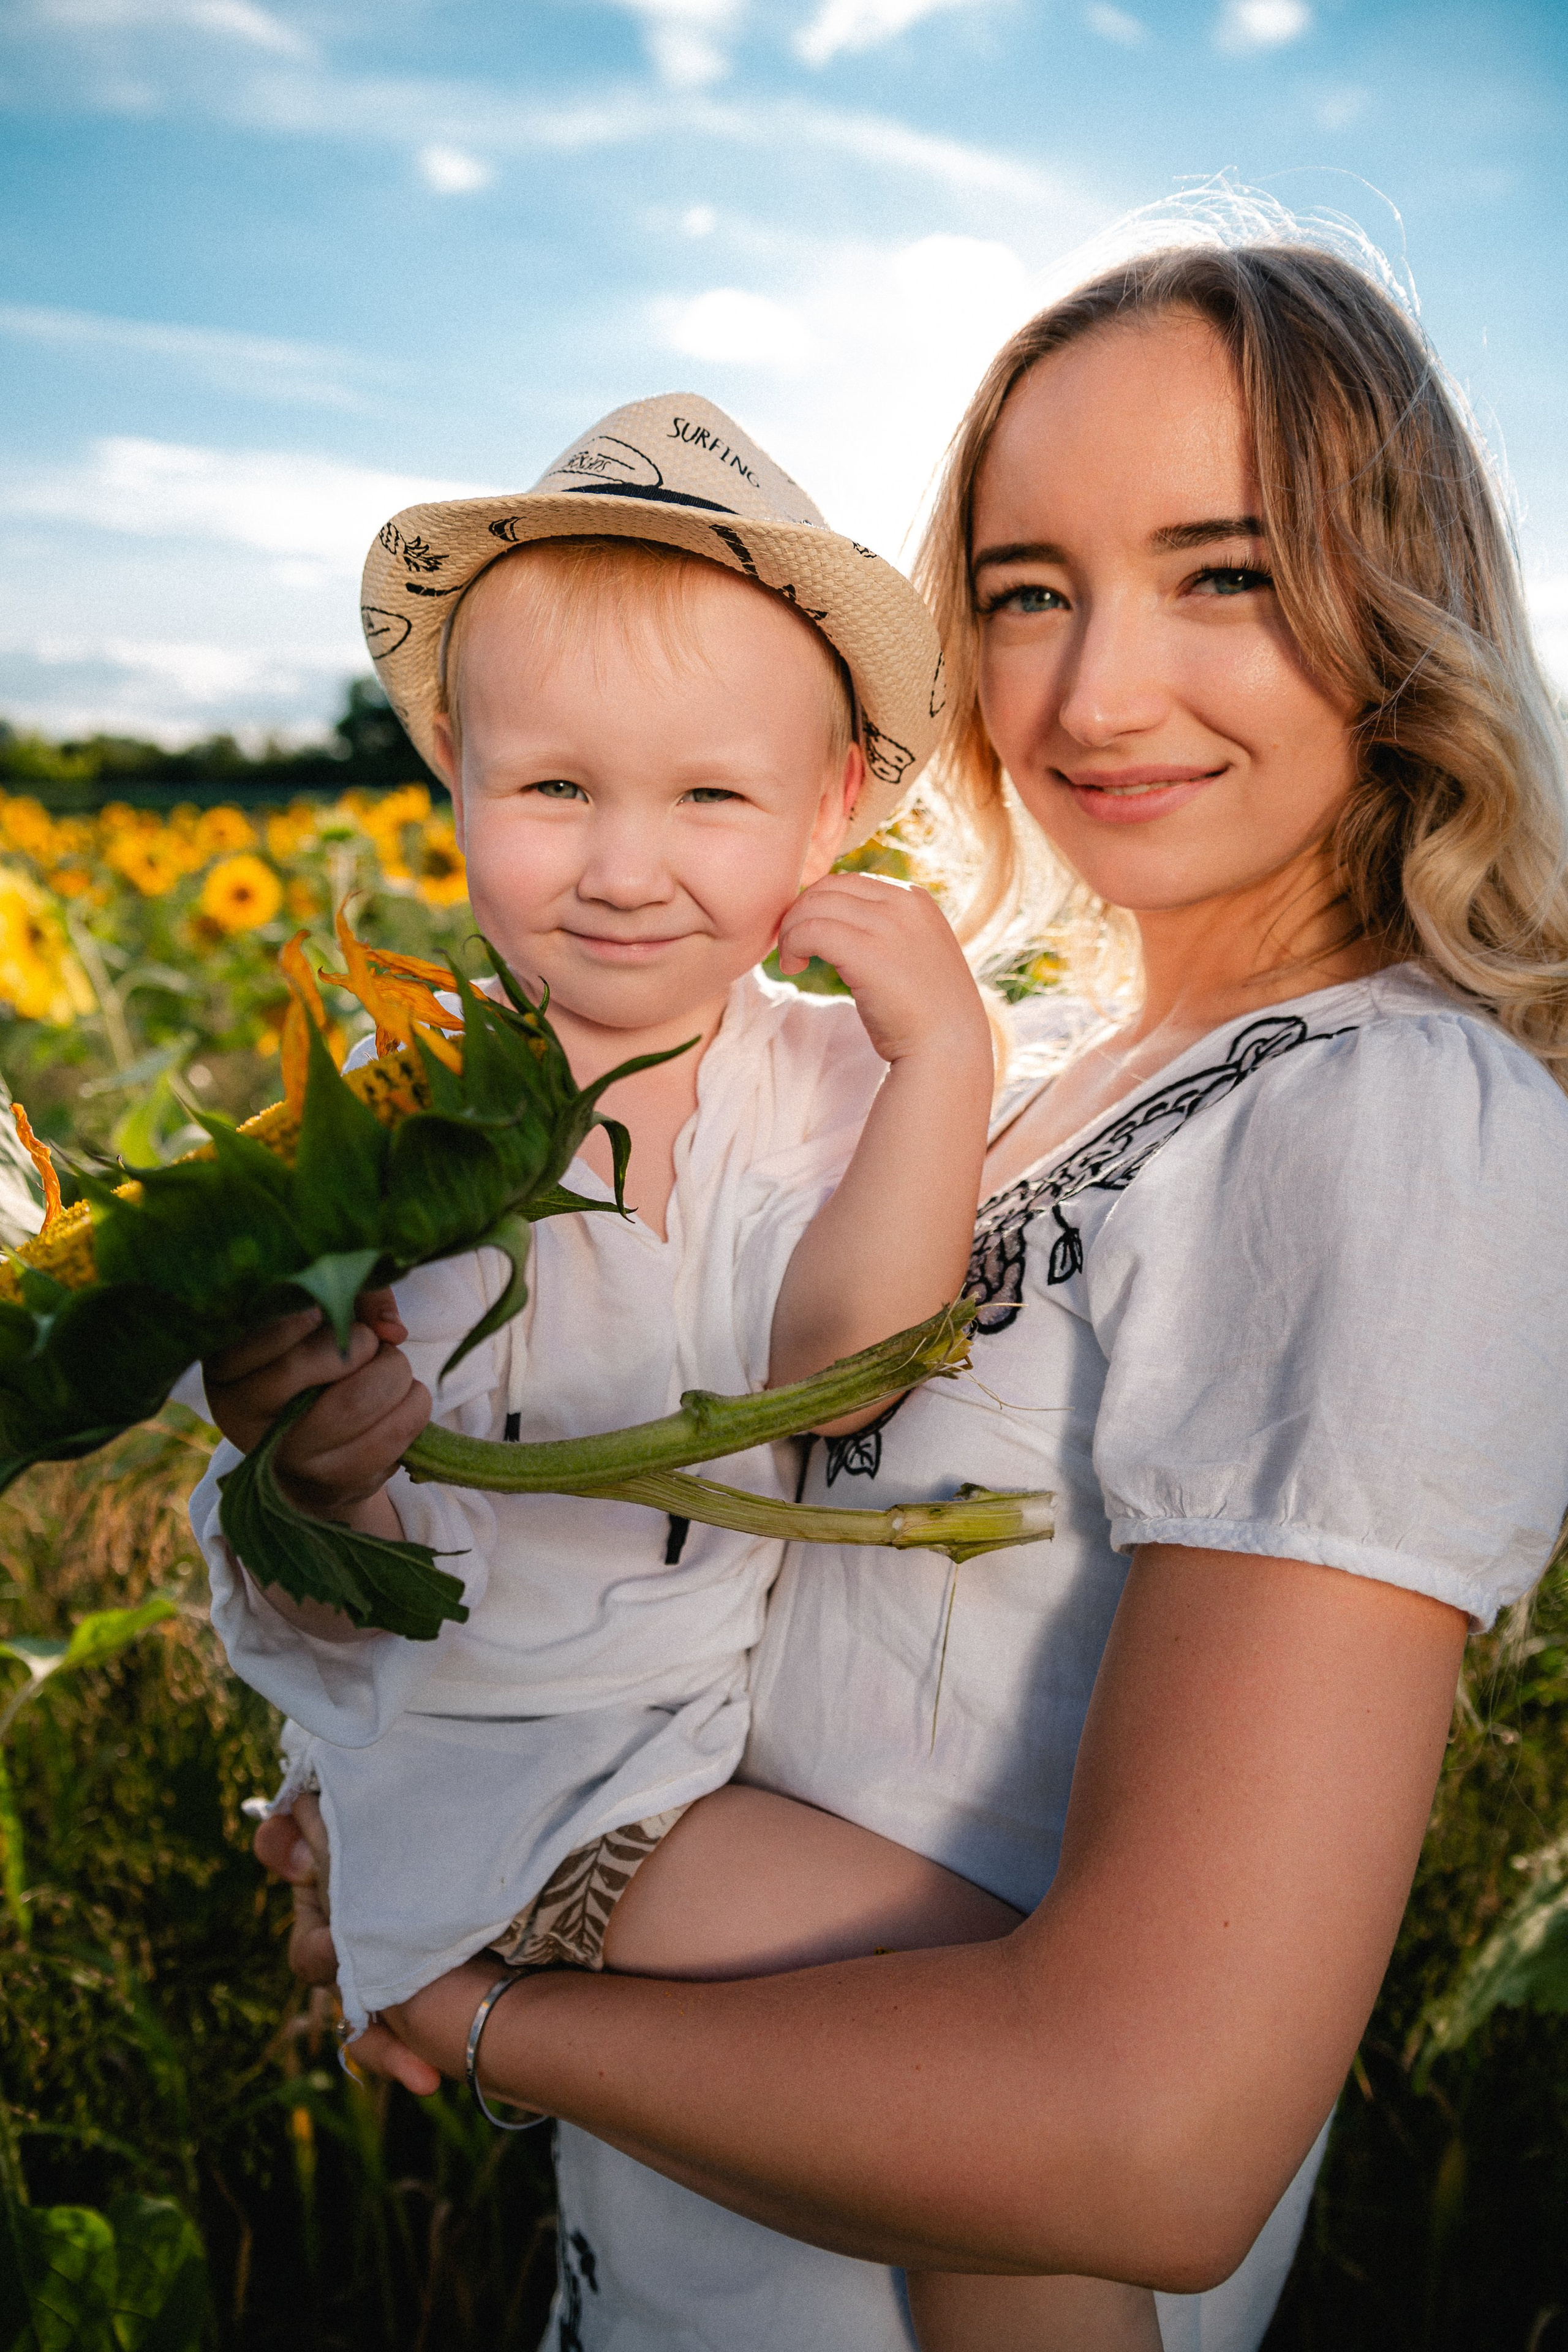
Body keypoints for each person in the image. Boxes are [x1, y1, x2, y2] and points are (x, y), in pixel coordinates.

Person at [293, 236, 1568, 2351]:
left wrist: (478, 1995)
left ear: (1394, 598)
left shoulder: (1390, 1115)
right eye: (1026, 587)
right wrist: (404, 1710)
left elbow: (1148, 2138)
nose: (1092, 693)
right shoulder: (1045, 1081)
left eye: (1223, 574)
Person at [213, 393, 1158, 2349]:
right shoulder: (392, 1124)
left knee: (1017, 2080)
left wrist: (942, 1065)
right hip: (543, 1785)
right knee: (1028, 2066)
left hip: (663, 1757)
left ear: (831, 820)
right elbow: (359, 1553)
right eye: (555, 789)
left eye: (710, 802)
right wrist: (318, 1472)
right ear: (456, 779)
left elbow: (839, 1361)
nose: (626, 868)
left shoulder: (826, 1086)